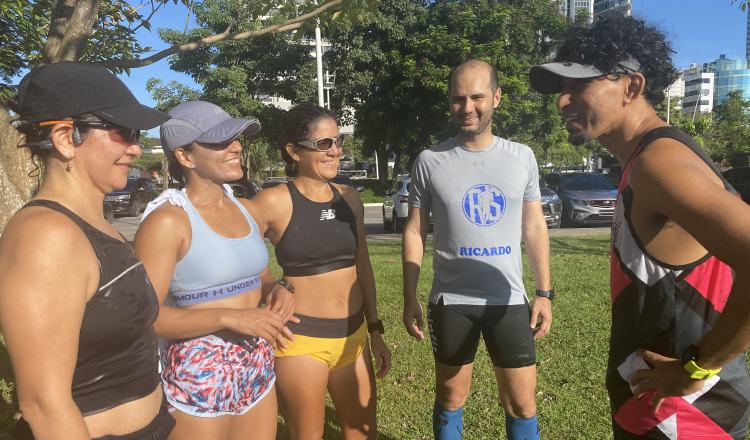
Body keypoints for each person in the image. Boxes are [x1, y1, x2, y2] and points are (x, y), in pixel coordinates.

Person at [530, 15, 750, 440]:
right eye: (562, 88)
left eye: (579, 85)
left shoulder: (658, 164)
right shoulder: (651, 157)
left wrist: (697, 368)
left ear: (632, 86)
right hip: (661, 411)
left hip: (686, 421)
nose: (562, 101)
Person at [0, 61, 173, 439]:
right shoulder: (46, 237)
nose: (135, 147)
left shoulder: (92, 221)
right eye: (122, 131)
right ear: (66, 138)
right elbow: (43, 404)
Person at [402, 59, 553, 440]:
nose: (467, 107)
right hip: (452, 302)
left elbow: (534, 227)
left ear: (497, 98)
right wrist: (409, 296)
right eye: (458, 98)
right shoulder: (430, 161)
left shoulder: (522, 157)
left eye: (477, 97)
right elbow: (416, 230)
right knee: (452, 397)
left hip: (508, 299)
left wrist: (544, 293)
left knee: (521, 402)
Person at [133, 101, 296, 439]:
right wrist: (227, 317)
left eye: (235, 138)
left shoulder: (247, 209)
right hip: (198, 373)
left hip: (257, 364)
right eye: (220, 141)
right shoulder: (168, 221)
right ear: (185, 157)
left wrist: (278, 289)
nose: (236, 146)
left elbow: (260, 277)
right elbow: (143, 318)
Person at [249, 103, 392, 440]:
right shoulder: (272, 202)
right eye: (324, 144)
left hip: (353, 338)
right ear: (293, 151)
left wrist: (375, 330)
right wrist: (270, 285)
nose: (336, 151)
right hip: (301, 343)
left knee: (363, 434)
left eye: (338, 141)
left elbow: (363, 266)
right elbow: (238, 258)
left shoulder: (350, 198)